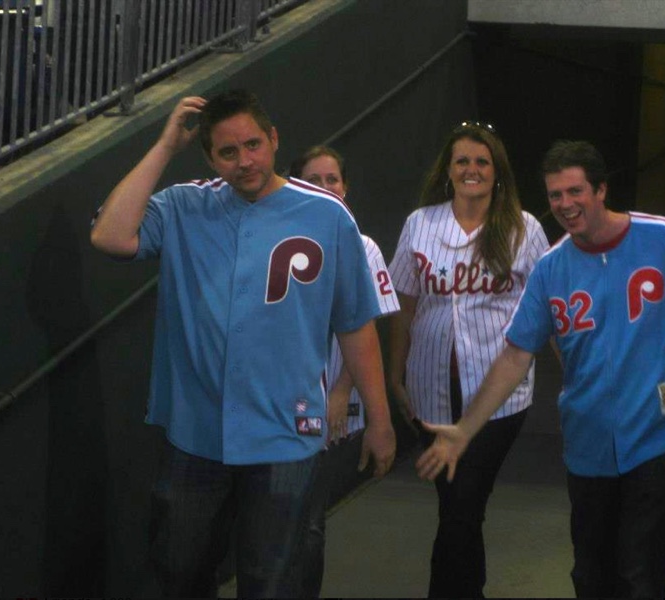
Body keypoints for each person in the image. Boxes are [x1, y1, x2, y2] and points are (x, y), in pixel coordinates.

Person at [416, 140, 665, 598]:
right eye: (555, 195)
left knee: (641, 577)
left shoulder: (662, 238)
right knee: (591, 577)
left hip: (659, 431)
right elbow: (515, 355)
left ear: (601, 190)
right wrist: (464, 431)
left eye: (575, 191)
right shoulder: (551, 269)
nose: (565, 205)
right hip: (587, 443)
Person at [89, 89, 396, 598]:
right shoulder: (185, 206)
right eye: (228, 152)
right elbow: (109, 236)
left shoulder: (327, 216)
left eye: (253, 144)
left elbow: (356, 325)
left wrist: (381, 424)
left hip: (285, 434)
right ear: (209, 157)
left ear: (274, 140)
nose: (244, 161)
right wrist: (166, 145)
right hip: (195, 434)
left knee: (272, 582)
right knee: (179, 576)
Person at [387, 121, 550, 598]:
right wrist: (394, 372)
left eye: (482, 161)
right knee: (458, 504)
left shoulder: (524, 227)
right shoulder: (422, 223)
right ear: (448, 170)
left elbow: (549, 305)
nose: (472, 169)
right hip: (430, 387)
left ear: (497, 172)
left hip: (499, 395)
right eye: (463, 161)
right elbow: (406, 302)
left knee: (462, 502)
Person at [288, 145, 401, 597]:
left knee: (310, 527)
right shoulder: (281, 238)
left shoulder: (363, 245)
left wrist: (340, 391)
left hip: (328, 407)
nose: (325, 188)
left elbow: (365, 328)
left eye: (332, 179)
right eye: (313, 180)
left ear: (346, 186)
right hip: (280, 405)